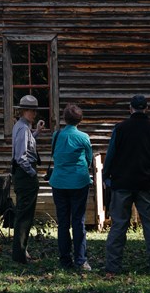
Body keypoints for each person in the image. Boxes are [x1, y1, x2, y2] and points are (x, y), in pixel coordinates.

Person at [101, 94, 150, 275]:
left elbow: (110, 155)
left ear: (130, 108)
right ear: (146, 108)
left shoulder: (120, 129)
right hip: (147, 184)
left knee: (118, 225)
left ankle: (113, 266)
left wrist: (106, 176)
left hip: (122, 183)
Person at [49, 103, 93, 272]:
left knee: (63, 222)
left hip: (59, 182)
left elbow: (55, 154)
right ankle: (81, 260)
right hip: (78, 182)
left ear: (64, 118)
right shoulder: (83, 137)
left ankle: (65, 259)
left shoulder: (56, 135)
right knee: (78, 221)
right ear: (80, 120)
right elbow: (88, 158)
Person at [10, 94, 45, 263]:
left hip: (23, 175)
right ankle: (20, 255)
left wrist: (36, 132)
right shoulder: (23, 129)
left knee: (24, 214)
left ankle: (22, 251)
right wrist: (32, 173)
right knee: (24, 216)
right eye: (32, 111)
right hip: (25, 176)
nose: (34, 114)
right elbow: (21, 157)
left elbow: (27, 145)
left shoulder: (23, 127)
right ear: (25, 111)